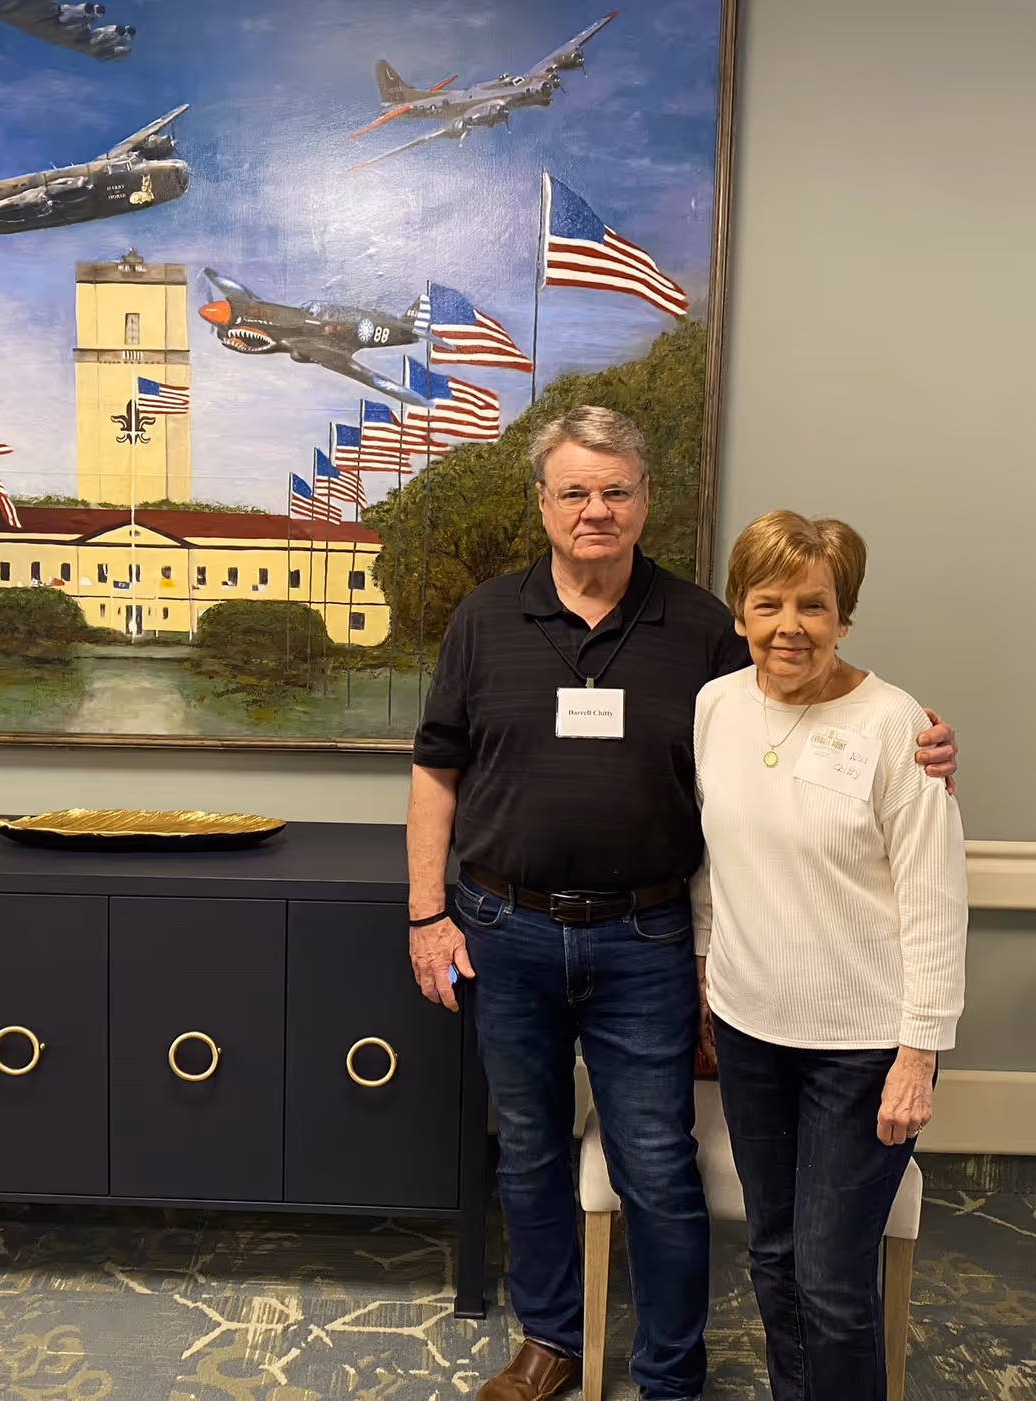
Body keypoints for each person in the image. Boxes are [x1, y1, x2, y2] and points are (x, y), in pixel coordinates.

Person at [406, 407, 957, 1401]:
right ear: (541, 502)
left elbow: (798, 715)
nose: (594, 510)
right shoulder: (484, 620)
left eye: (615, 490)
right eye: (573, 490)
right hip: (505, 931)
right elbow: (435, 769)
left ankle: (669, 1372)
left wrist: (915, 743)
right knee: (526, 1151)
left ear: (646, 501)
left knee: (657, 1164)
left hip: (646, 939)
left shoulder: (707, 628)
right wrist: (424, 914)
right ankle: (551, 1343)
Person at [692, 512, 967, 1400]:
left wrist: (918, 1053)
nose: (789, 626)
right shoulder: (716, 707)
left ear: (844, 618)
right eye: (768, 602)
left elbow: (935, 902)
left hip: (863, 1047)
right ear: (739, 612)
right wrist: (706, 966)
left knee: (831, 1281)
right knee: (771, 1257)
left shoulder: (896, 728)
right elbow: (713, 860)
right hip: (749, 1031)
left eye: (814, 604)